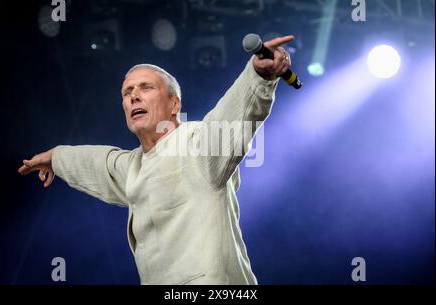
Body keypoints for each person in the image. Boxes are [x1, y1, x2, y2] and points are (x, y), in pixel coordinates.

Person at [18, 35, 295, 285]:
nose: (133, 96)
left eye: (145, 87)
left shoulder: (195, 144)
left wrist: (257, 77)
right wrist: (55, 157)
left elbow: (232, 117)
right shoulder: (133, 166)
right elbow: (97, 162)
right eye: (127, 93)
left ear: (174, 104)